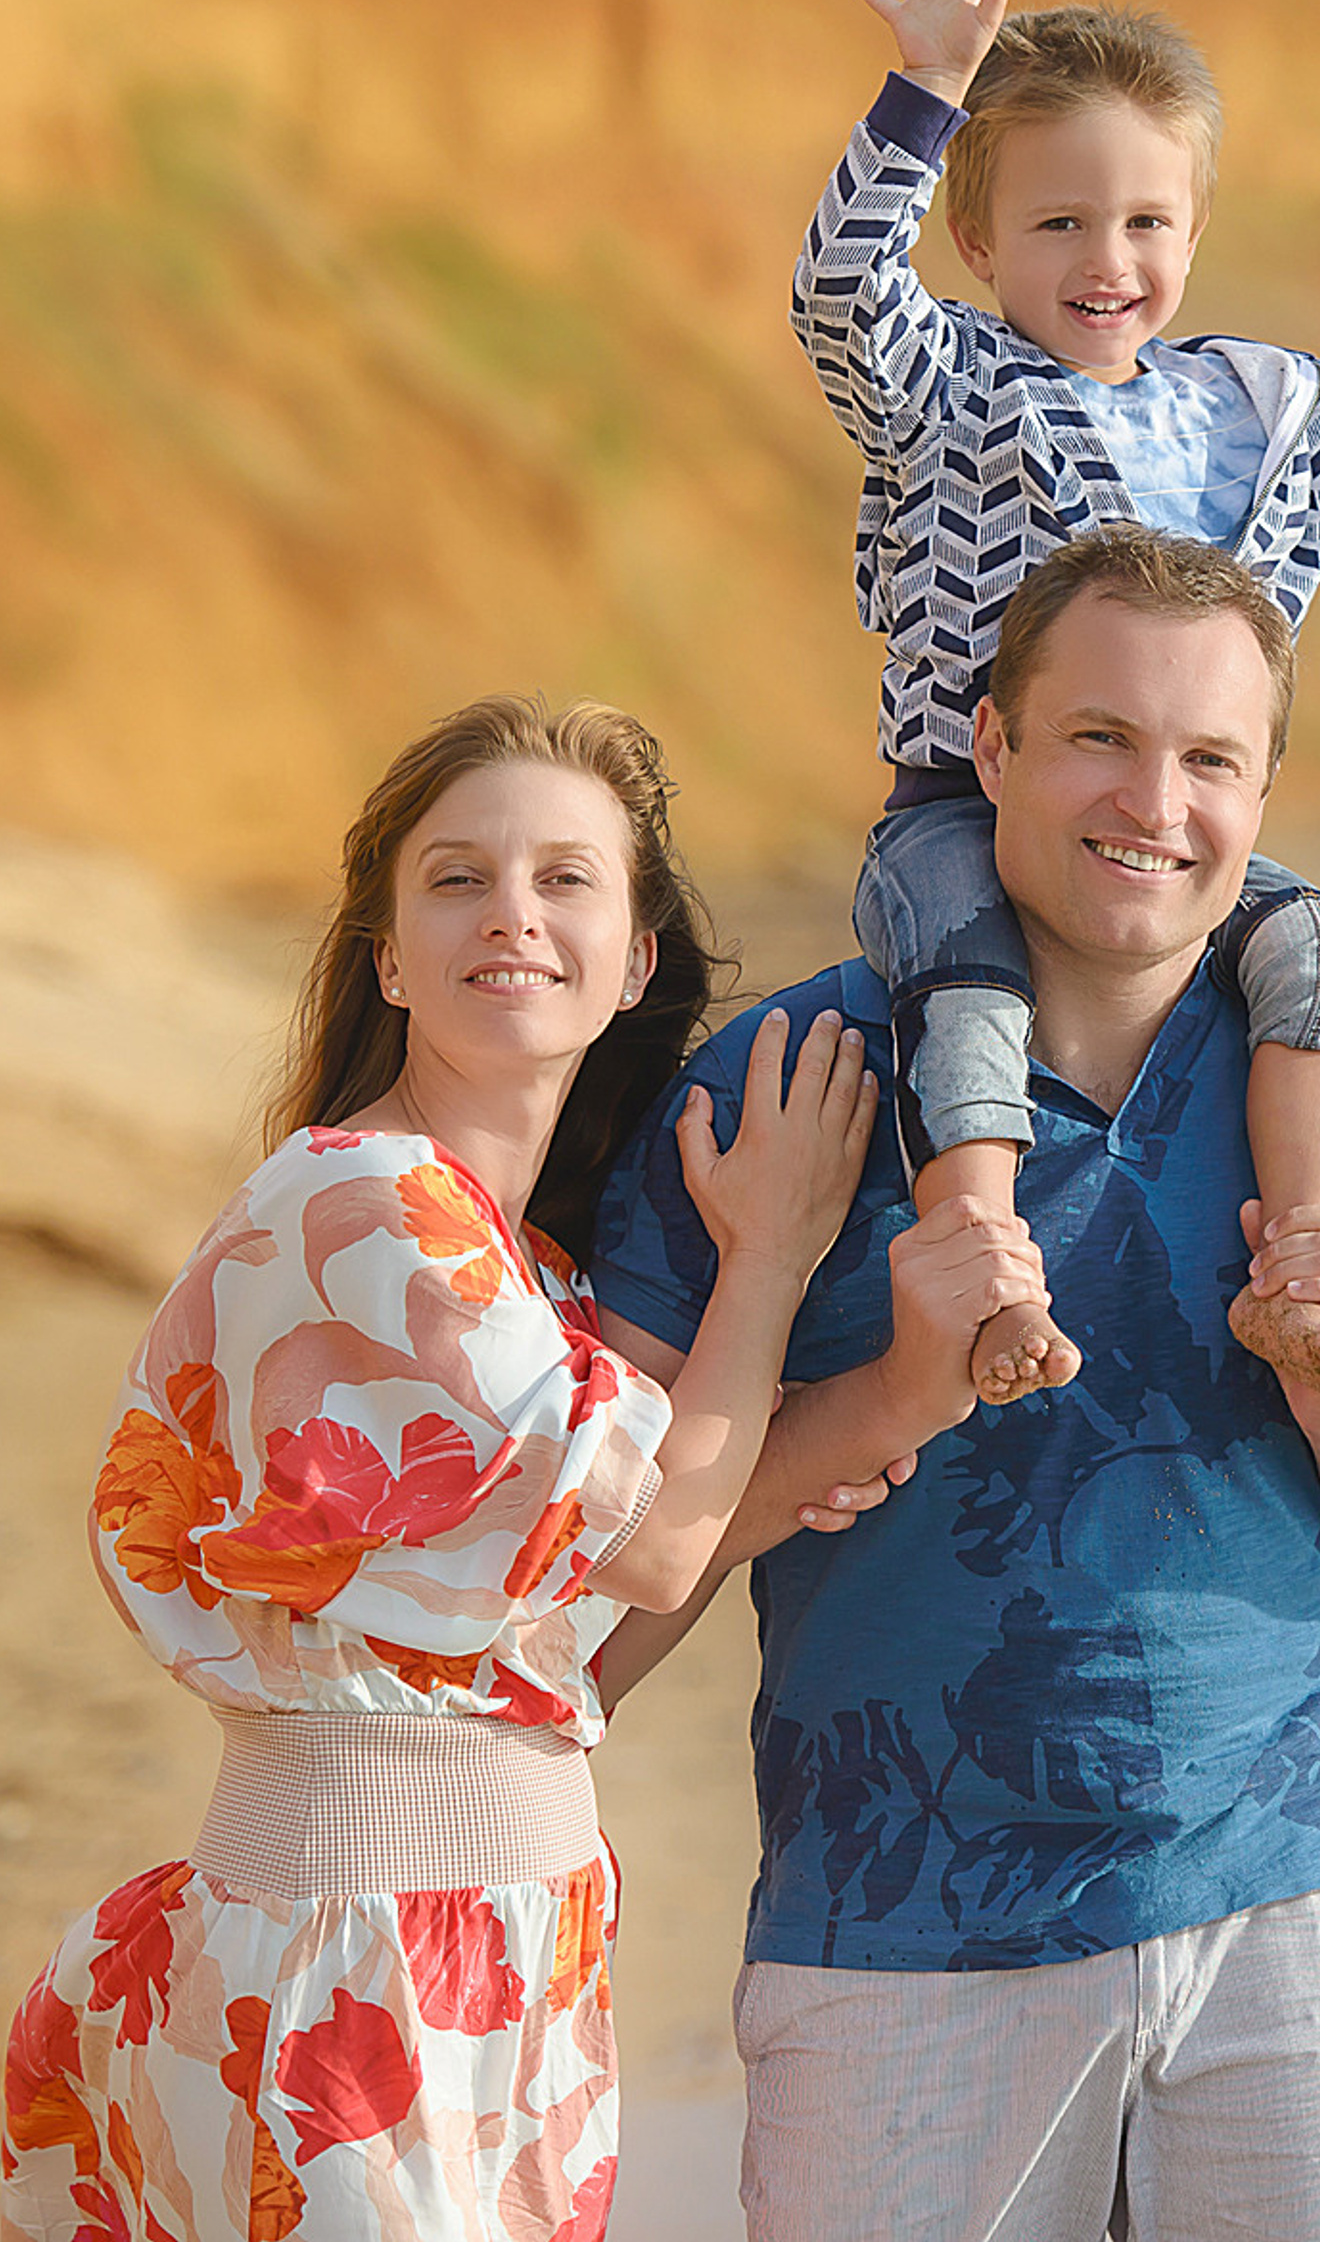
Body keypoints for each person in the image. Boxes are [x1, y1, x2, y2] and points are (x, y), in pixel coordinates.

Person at [588, 533, 1320, 2242]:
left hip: (1299, 1905)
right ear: (993, 750)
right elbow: (608, 1592)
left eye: (1209, 760)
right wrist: (897, 1381)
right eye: (1101, 737)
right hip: (892, 1934)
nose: (1155, 803)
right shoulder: (790, 1088)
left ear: (1266, 791)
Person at [0, 697, 889, 2242]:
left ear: (637, 959)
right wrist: (774, 1249)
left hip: (496, 1964)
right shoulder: (363, 1210)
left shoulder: (524, 1273)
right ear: (390, 955)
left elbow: (581, 1657)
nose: (514, 917)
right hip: (353, 1977)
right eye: (458, 879)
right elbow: (663, 1548)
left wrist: (843, 1431)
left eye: (565, 880)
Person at [791, 0, 1320, 1407]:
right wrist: (926, 90)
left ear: (1192, 234)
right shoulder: (957, 390)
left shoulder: (1259, 409)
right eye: (1057, 224)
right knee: (970, 977)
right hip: (964, 811)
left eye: (1143, 224)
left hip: (1183, 830)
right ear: (979, 240)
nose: (1105, 260)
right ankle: (984, 1257)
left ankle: (1311, 1241)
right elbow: (841, 302)